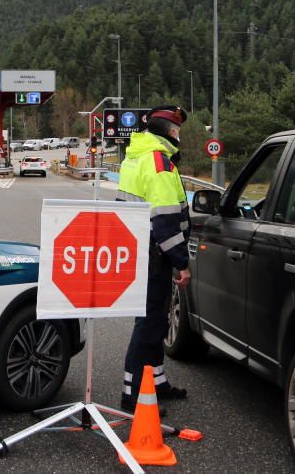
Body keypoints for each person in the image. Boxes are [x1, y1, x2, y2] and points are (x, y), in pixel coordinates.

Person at [118, 104, 191, 411]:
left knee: (157, 321)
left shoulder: (135, 157)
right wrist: (181, 262)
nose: (177, 135)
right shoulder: (159, 164)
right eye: (174, 130)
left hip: (138, 249)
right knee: (149, 325)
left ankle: (156, 381)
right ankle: (132, 395)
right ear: (164, 131)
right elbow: (164, 220)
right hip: (155, 254)